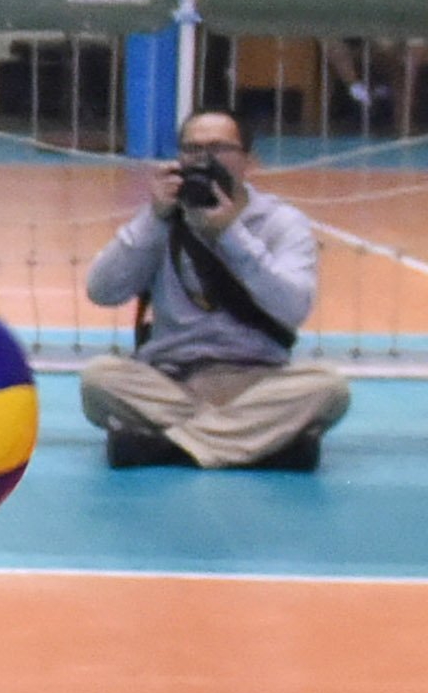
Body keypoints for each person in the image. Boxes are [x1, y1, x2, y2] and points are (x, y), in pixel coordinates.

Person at [80, 109, 349, 470]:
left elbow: (293, 308)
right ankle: (263, 444)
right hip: (170, 378)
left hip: (259, 379)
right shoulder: (163, 217)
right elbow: (102, 291)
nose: (204, 160)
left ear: (249, 161)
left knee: (328, 387)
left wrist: (230, 235)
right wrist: (153, 219)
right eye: (193, 149)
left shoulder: (281, 223)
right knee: (99, 379)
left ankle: (166, 447)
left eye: (219, 148)